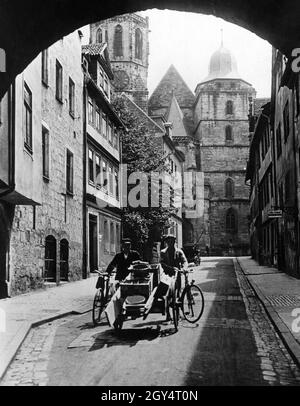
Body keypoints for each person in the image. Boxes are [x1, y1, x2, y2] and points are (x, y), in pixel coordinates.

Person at [143, 233, 188, 321]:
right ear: (167, 242)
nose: (171, 243)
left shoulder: (179, 252)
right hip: (167, 275)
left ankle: (177, 314)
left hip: (177, 275)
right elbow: (162, 264)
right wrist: (171, 268)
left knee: (177, 294)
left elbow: (184, 261)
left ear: (174, 242)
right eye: (169, 241)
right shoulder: (163, 252)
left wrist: (184, 268)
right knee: (167, 295)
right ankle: (168, 314)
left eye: (172, 241)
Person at [105, 238, 140, 328]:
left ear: (130, 246)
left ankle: (133, 310)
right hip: (120, 277)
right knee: (117, 293)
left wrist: (136, 267)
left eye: (128, 246)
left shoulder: (134, 254)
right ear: (122, 247)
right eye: (125, 246)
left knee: (132, 293)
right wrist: (107, 272)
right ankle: (119, 310)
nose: (126, 247)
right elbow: (112, 264)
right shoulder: (118, 256)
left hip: (132, 278)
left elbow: (139, 263)